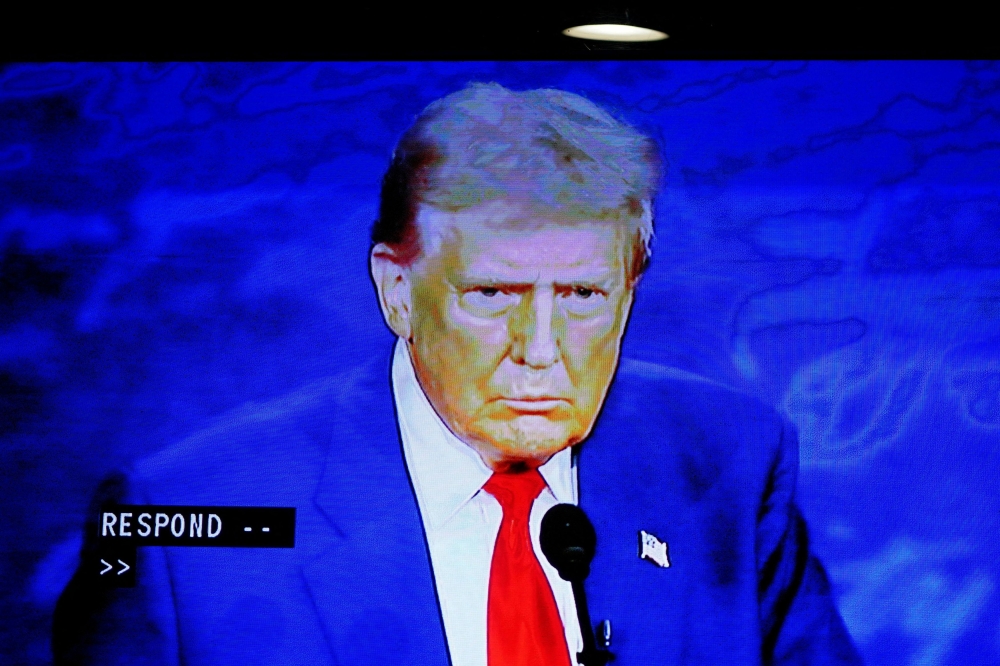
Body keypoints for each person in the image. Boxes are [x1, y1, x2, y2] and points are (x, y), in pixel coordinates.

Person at [54, 83, 861, 665]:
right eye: (493, 295)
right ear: (396, 290)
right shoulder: (183, 517)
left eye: (582, 295)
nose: (541, 347)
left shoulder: (729, 460)